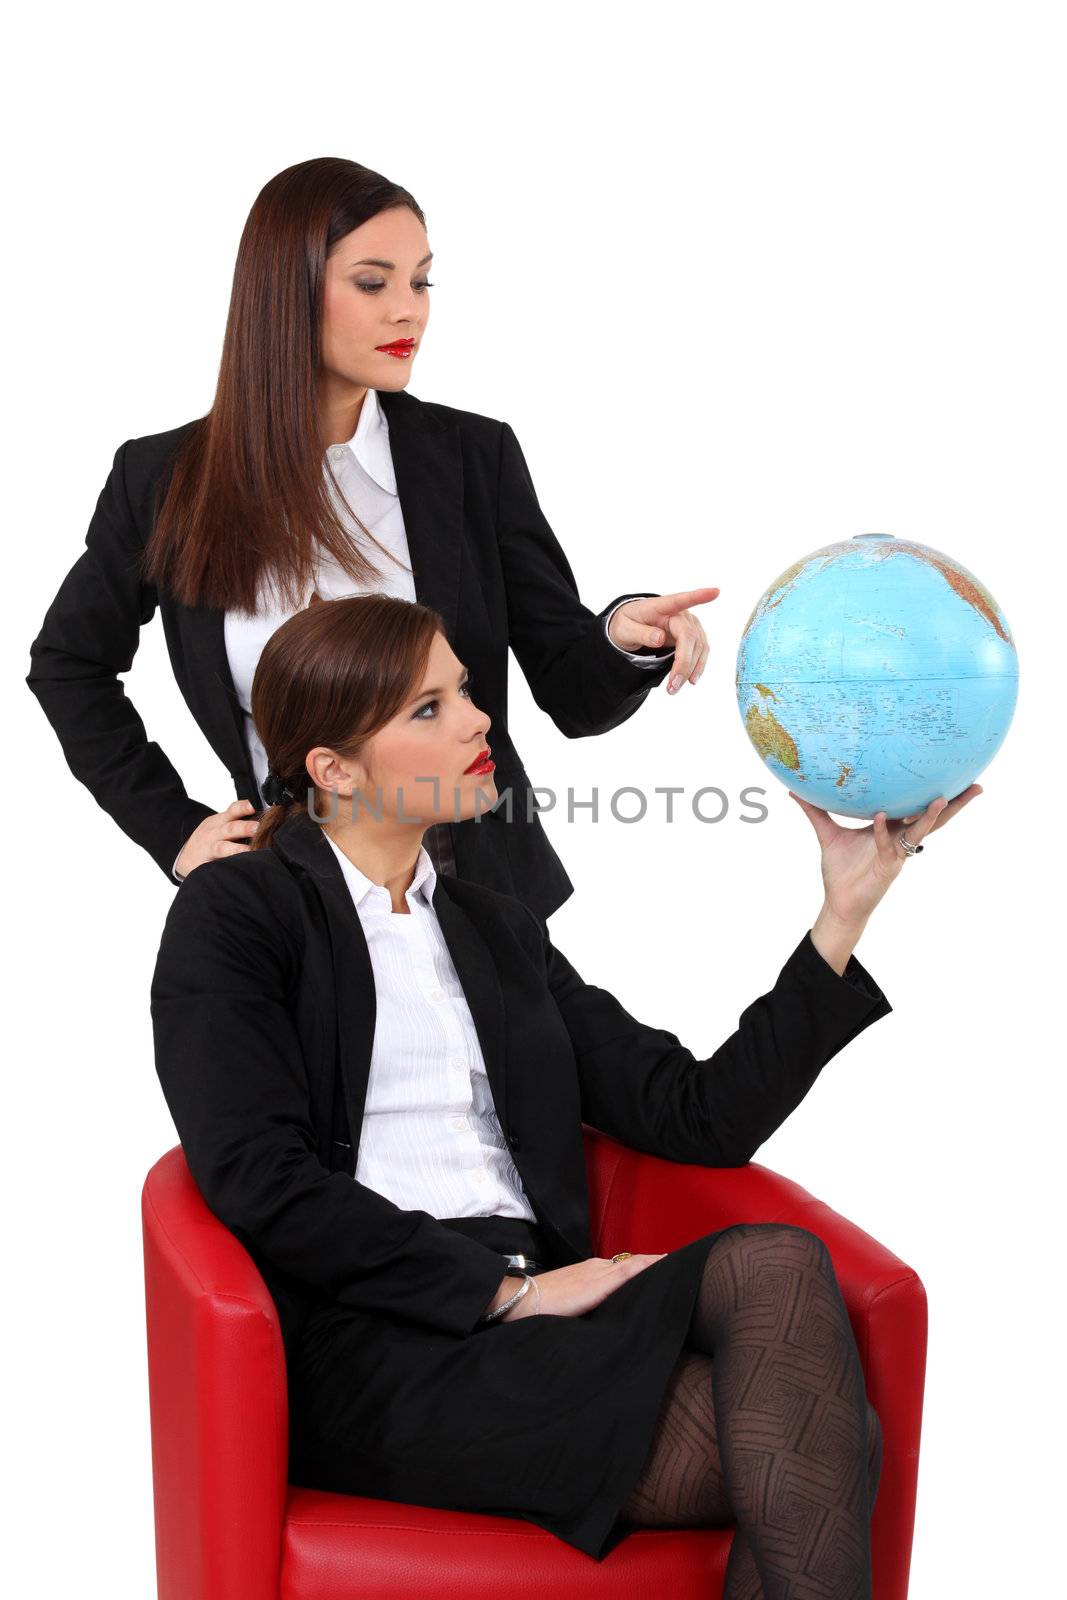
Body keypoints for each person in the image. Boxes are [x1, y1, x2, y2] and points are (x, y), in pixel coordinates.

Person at [150, 592, 981, 1587]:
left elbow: (694, 1112)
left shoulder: (494, 927)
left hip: (554, 1326)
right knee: (823, 1441)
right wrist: (507, 1294)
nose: (476, 719)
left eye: (462, 690)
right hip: (382, 1343)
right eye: (427, 709)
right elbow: (257, 1178)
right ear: (331, 768)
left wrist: (841, 913)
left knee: (776, 1273)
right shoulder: (239, 913)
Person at [25, 154, 717, 923]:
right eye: (372, 282)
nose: (408, 312)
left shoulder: (470, 458)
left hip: (471, 892)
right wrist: (174, 829)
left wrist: (622, 636)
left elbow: (570, 691)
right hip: (286, 890)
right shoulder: (163, 477)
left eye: (421, 282)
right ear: (284, 292)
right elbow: (68, 666)